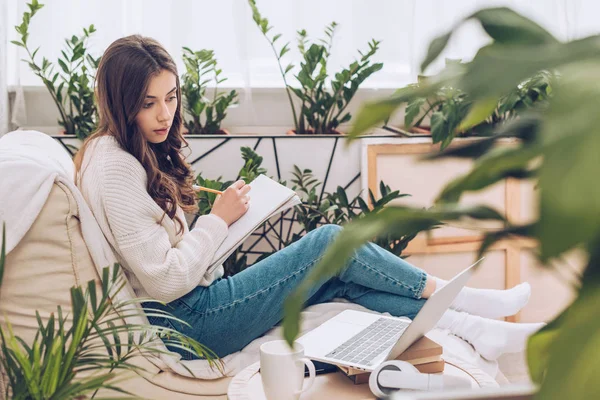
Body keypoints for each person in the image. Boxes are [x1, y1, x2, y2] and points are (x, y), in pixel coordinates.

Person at [75, 35, 543, 362]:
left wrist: (229, 221)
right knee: (330, 243)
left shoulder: (125, 152)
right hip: (190, 324)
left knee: (336, 282)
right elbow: (164, 281)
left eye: (171, 97)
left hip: (193, 310)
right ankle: (465, 300)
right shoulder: (115, 165)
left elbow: (160, 255)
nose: (165, 113)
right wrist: (218, 222)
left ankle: (476, 328)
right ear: (120, 103)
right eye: (147, 103)